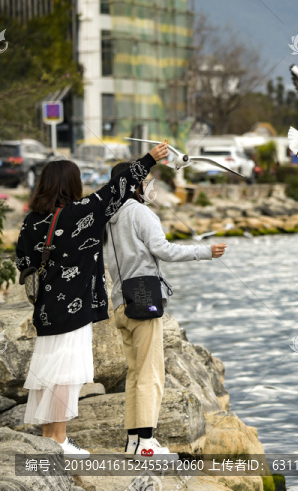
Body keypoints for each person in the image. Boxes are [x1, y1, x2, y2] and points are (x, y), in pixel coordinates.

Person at [14, 142, 167, 455]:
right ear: (72, 184)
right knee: (65, 374)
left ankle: (49, 436)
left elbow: (21, 261)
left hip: (45, 309)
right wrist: (150, 159)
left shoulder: (31, 221)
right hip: (75, 306)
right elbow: (117, 187)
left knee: (49, 371)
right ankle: (57, 440)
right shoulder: (80, 213)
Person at [104, 163, 226, 459]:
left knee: (135, 374)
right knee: (151, 373)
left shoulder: (107, 218)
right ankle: (146, 443)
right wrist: (205, 252)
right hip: (143, 299)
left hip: (119, 302)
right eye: (146, 180)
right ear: (134, 185)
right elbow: (164, 250)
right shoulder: (141, 213)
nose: (150, 185)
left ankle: (134, 441)